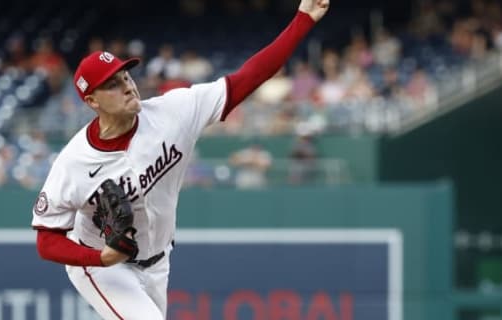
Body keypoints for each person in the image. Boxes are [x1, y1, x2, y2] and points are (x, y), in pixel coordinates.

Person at [30, 1, 330, 319]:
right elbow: (47, 240)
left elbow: (248, 77)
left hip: (159, 261)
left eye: (126, 76)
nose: (128, 86)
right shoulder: (74, 162)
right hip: (104, 266)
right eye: (112, 85)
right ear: (91, 101)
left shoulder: (174, 113)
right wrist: (100, 258)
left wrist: (303, 19)